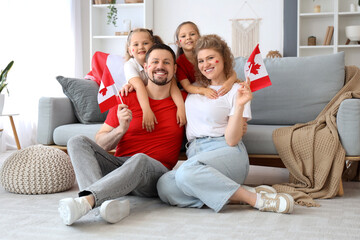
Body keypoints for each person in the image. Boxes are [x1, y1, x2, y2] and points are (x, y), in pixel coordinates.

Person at [157, 34, 295, 214]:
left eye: (211, 58)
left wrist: (239, 106)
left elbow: (232, 140)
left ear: (223, 59)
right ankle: (238, 194)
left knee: (185, 174)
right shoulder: (194, 87)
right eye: (201, 60)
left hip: (226, 152)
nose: (206, 64)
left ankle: (257, 200)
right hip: (196, 153)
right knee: (164, 185)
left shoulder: (238, 90)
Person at [58, 44, 186, 226]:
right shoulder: (126, 96)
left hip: (154, 174)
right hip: (119, 167)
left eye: (166, 62)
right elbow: (101, 143)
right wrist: (120, 129)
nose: (160, 66)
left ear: (174, 69)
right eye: (155, 61)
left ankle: (87, 200)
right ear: (146, 67)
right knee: (77, 141)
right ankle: (105, 204)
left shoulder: (184, 101)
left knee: (140, 159)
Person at [123, 28, 186, 132]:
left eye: (145, 43)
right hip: (141, 100)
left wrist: (181, 108)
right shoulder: (130, 65)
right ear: (130, 50)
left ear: (153, 46)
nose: (141, 47)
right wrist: (146, 110)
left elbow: (173, 86)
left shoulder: (162, 67)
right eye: (136, 45)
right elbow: (139, 87)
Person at [174, 21, 238, 99]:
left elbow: (231, 72)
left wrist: (229, 83)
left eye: (192, 34)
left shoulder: (208, 53)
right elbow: (187, 86)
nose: (188, 37)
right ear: (178, 43)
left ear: (199, 38)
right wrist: (204, 91)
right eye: (183, 36)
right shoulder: (179, 63)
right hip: (196, 92)